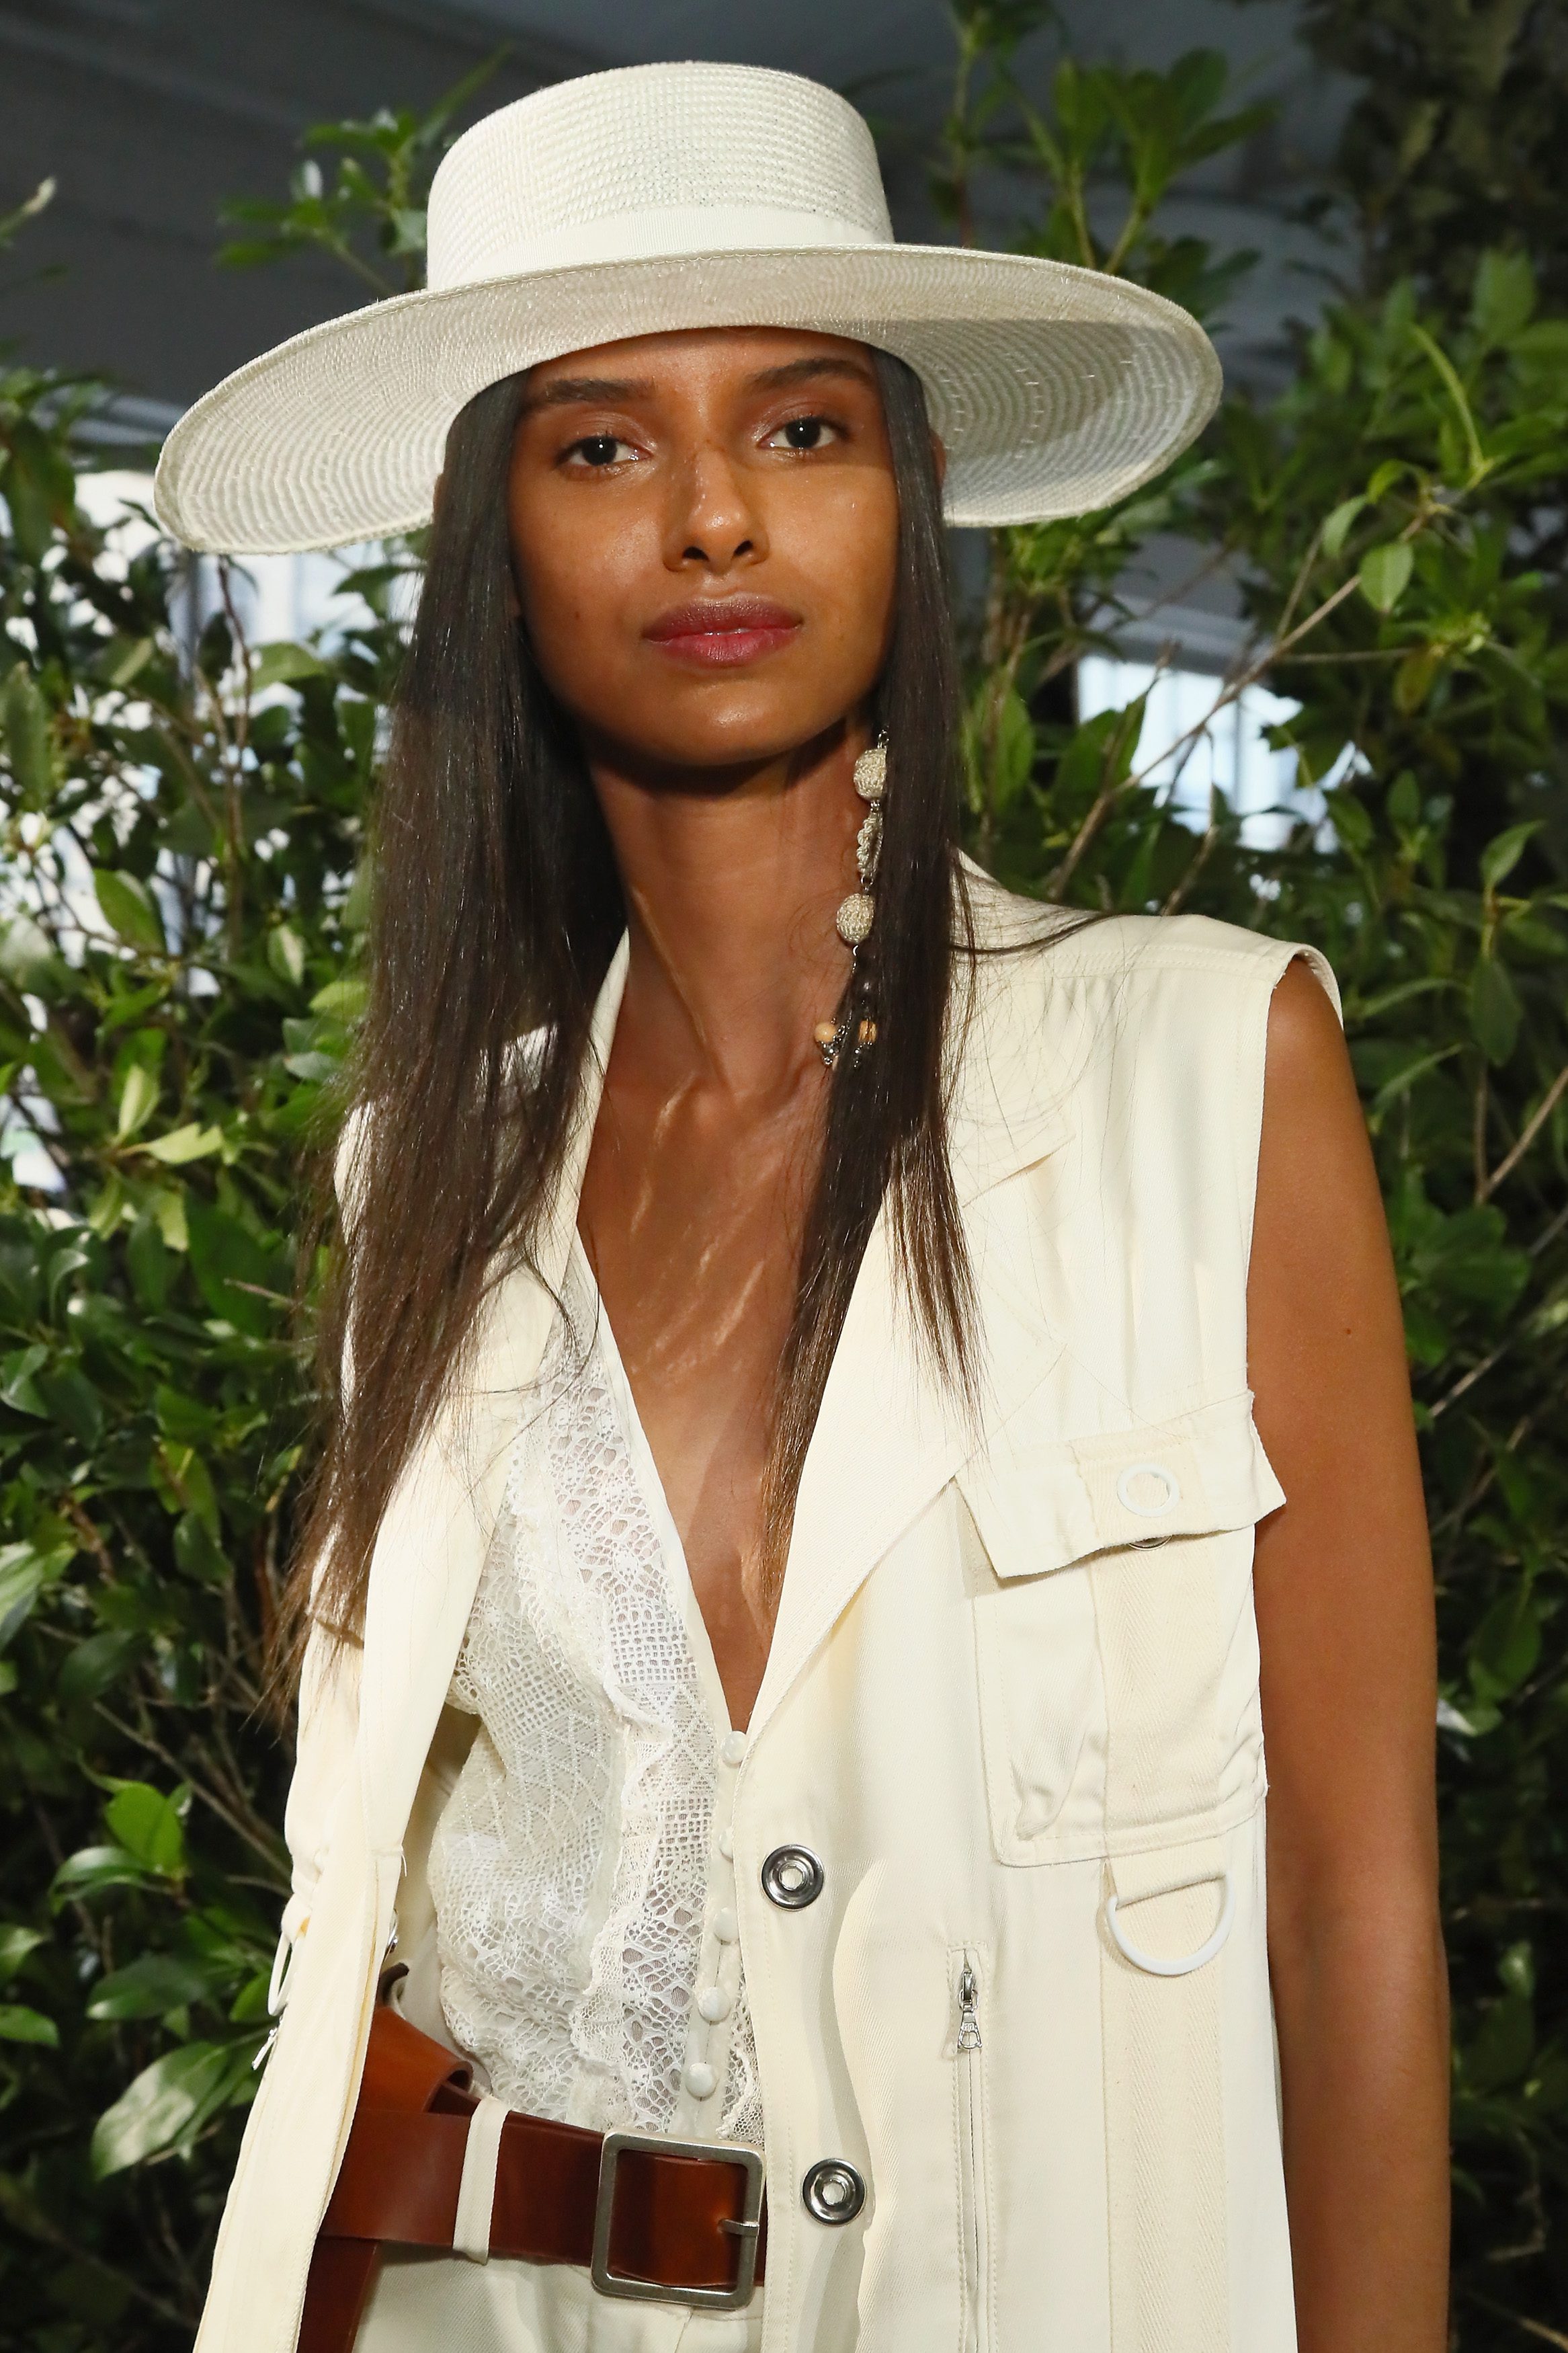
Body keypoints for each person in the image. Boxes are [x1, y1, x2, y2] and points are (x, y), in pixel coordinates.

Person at [155, 58, 1448, 2353]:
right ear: (498, 545)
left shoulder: (1202, 1065)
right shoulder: (432, 1167)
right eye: (600, 444)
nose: (715, 521)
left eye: (802, 427)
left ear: (913, 488)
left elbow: (1353, 1905)